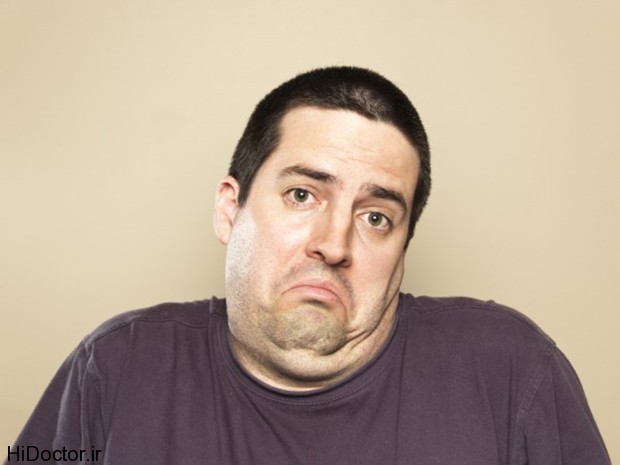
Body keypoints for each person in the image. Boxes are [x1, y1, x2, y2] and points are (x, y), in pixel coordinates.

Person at [6, 67, 610, 465]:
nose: (334, 243)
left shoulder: (511, 372)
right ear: (230, 210)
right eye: (303, 195)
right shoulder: (113, 369)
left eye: (376, 217)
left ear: (403, 248)